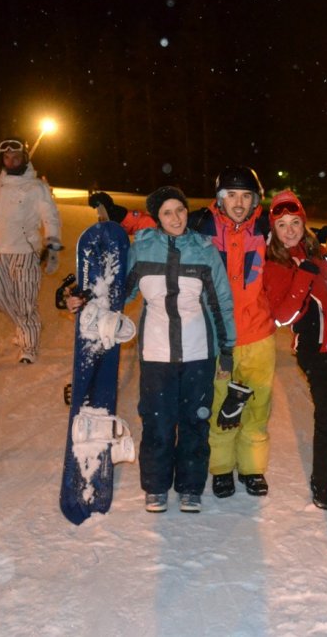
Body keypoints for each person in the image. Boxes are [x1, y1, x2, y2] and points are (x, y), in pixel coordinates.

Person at [123, 186, 235, 513]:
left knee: (195, 422)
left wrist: (226, 347)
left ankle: (190, 487)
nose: (176, 218)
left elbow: (221, 303)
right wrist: (91, 300)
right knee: (157, 422)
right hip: (156, 354)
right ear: (157, 218)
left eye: (181, 210)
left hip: (198, 352)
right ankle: (156, 487)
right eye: (168, 212)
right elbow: (123, 294)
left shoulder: (204, 251)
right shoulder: (142, 249)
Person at [188, 166, 276, 497]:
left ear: (255, 200)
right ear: (219, 198)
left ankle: (252, 468)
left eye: (246, 196)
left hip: (259, 336)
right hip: (218, 338)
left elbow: (294, 225)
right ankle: (221, 468)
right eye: (231, 195)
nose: (238, 203)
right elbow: (163, 227)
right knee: (220, 404)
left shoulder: (266, 228)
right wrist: (123, 216)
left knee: (256, 404)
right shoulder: (203, 227)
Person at [263, 190, 327, 509]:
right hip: (315, 350)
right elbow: (282, 315)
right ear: (274, 229)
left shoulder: (318, 252)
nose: (291, 229)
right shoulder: (275, 262)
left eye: (295, 222)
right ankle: (323, 483)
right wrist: (302, 280)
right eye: (283, 225)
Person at [0, 137, 63, 363]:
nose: (11, 161)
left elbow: (50, 217)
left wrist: (53, 245)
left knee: (25, 301)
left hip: (25, 252)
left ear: (24, 158)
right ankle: (27, 325)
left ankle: (29, 346)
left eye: (16, 157)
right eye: (7, 157)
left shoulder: (36, 187)